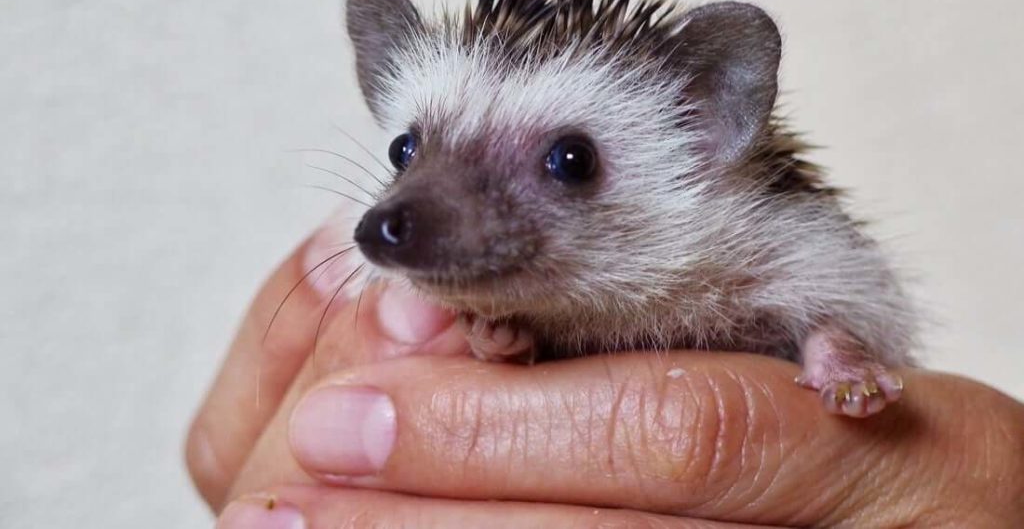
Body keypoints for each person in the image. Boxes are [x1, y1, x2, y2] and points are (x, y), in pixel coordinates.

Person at [187, 208, 1024, 527]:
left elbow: (850, 295)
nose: (415, 208)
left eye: (567, 164)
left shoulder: (767, 250)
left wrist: (835, 347)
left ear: (707, 132)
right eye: (411, 149)